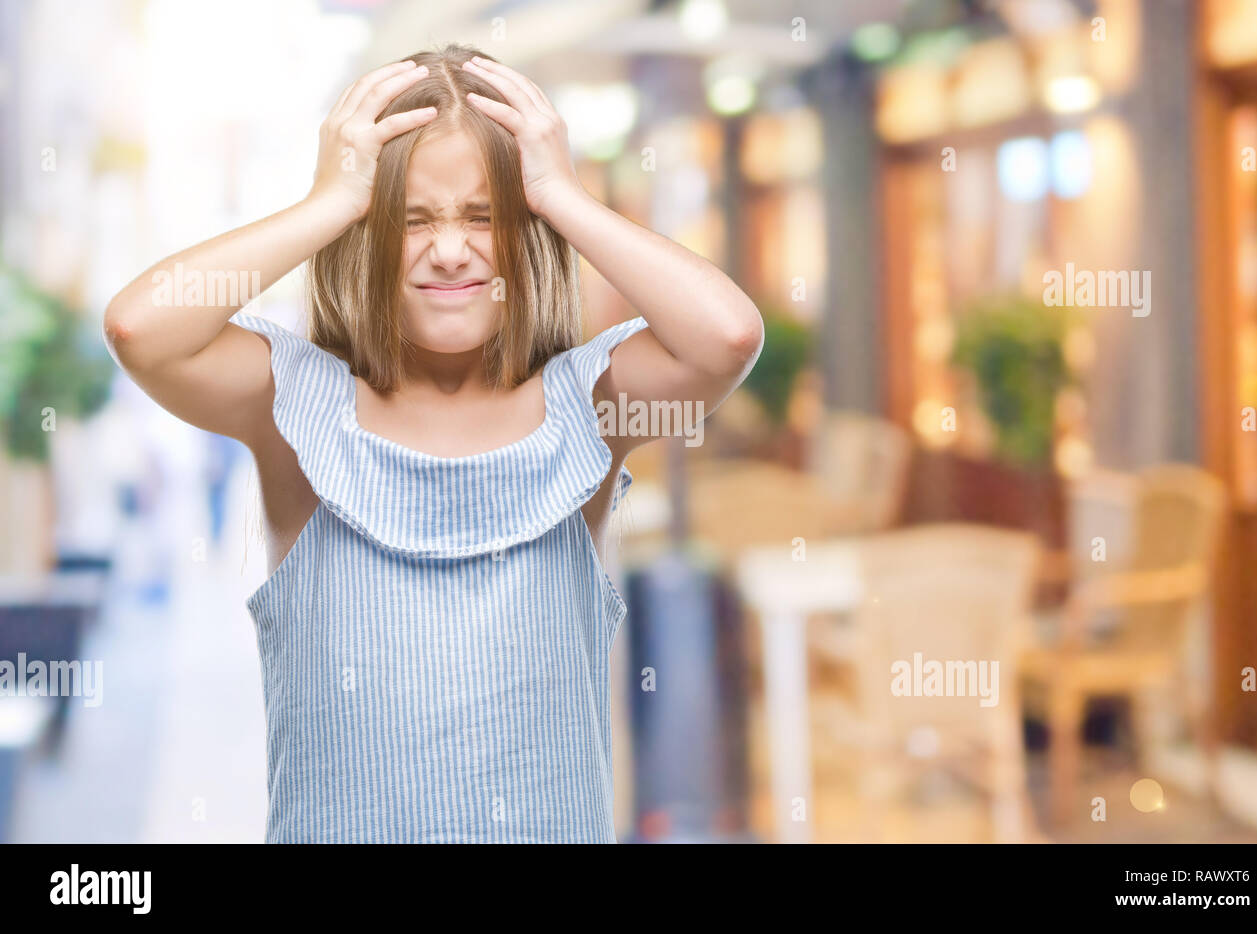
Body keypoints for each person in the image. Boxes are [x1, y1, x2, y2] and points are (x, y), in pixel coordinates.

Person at [102, 44, 763, 843]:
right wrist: (328, 203)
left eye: (484, 216)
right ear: (369, 236)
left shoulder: (588, 406)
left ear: (526, 234)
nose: (450, 250)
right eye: (411, 219)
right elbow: (141, 328)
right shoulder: (294, 403)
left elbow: (726, 336)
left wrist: (562, 195)